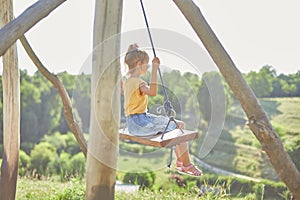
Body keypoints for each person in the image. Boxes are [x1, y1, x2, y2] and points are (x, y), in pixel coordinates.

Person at [122, 43, 202, 177]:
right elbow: (153, 92)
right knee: (179, 130)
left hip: (135, 122)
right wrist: (155, 69)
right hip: (140, 123)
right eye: (146, 64)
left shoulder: (127, 81)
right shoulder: (137, 82)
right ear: (138, 64)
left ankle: (181, 163)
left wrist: (132, 50)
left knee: (180, 125)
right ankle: (187, 165)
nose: (147, 66)